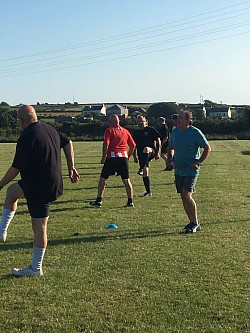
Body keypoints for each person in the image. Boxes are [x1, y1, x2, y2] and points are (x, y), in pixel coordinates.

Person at [0, 105, 80, 277]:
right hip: (49, 183)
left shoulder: (27, 137)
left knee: (39, 227)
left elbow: (16, 167)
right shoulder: (49, 128)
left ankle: (36, 268)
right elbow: (68, 142)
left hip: (39, 186)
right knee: (12, 192)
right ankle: (1, 232)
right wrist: (71, 167)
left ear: (21, 121)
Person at [167, 110, 211, 233]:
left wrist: (198, 162)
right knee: (183, 196)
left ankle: (195, 222)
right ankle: (191, 221)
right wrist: (170, 160)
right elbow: (171, 147)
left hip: (191, 170)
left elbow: (207, 148)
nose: (178, 120)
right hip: (179, 170)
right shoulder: (175, 132)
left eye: (181, 118)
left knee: (186, 194)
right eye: (177, 118)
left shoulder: (195, 132)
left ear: (188, 121)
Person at [90, 114, 136, 208]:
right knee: (126, 180)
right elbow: (133, 145)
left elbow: (106, 144)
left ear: (110, 122)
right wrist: (128, 156)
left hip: (111, 157)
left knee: (103, 179)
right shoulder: (125, 131)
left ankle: (99, 200)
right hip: (123, 158)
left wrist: (103, 157)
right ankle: (130, 201)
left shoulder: (109, 131)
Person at [133, 115, 161, 197]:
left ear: (146, 122)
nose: (140, 123)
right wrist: (134, 156)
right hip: (141, 155)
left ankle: (141, 168)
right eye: (139, 122)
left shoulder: (150, 130)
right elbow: (133, 145)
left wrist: (157, 152)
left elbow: (158, 140)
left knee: (146, 149)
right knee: (145, 172)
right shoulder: (136, 133)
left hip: (150, 151)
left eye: (142, 121)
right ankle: (148, 192)